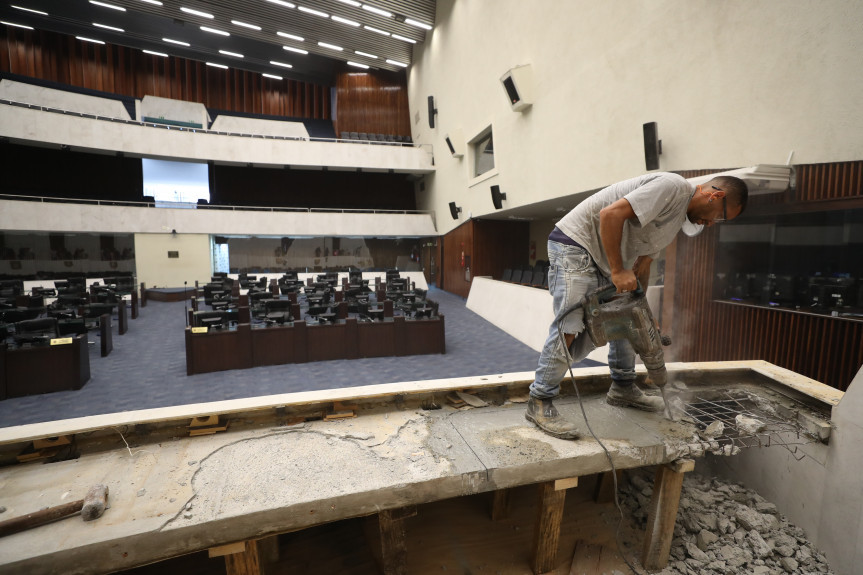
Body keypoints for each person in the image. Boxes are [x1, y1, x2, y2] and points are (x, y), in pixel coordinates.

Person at [526, 172, 749, 439]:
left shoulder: (675, 220)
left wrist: (642, 311)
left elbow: (642, 265)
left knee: (631, 319)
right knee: (570, 326)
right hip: (576, 245)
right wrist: (618, 271)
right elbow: (610, 215)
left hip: (605, 258)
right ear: (716, 195)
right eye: (720, 216)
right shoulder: (673, 187)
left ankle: (623, 388)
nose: (712, 224)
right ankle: (539, 401)